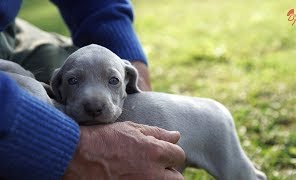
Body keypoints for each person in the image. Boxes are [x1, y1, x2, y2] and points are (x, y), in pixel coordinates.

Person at [0, 0, 185, 179]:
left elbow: (93, 4)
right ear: (55, 86)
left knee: (71, 59)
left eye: (113, 80)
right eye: (73, 80)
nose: (94, 104)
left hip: (7, 26)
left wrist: (125, 59)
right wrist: (66, 149)